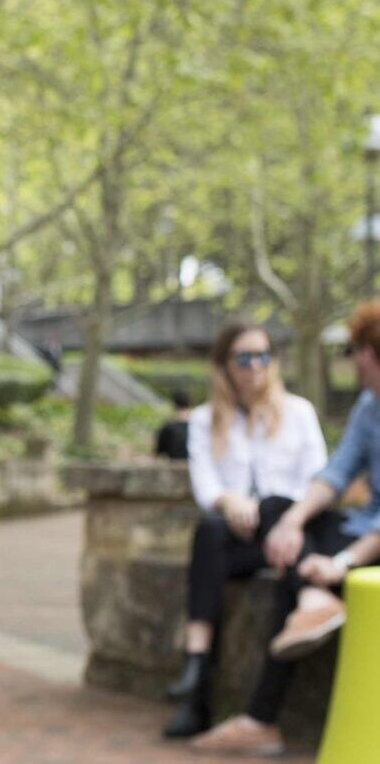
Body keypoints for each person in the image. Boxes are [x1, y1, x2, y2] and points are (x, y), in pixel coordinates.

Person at [189, 300, 380, 756]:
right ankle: (312, 600)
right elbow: (332, 476)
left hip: (369, 542)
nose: (351, 360)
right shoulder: (369, 407)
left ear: (371, 353)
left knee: (293, 576)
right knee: (279, 513)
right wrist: (291, 522)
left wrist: (341, 563)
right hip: (360, 526)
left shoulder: (297, 410)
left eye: (354, 351)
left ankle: (261, 717)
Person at [162, 323, 327, 740]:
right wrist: (230, 502)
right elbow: (206, 487)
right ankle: (196, 678)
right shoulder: (204, 420)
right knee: (209, 533)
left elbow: (318, 482)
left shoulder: (299, 412)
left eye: (263, 356)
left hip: (290, 531)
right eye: (244, 357)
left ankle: (202, 682)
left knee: (273, 506)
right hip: (237, 537)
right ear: (224, 364)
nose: (255, 366)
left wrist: (265, 508)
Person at [155, 388, 194, 460]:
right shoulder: (199, 427)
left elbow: (156, 454)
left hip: (174, 468)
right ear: (190, 404)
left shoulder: (167, 428)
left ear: (174, 405)